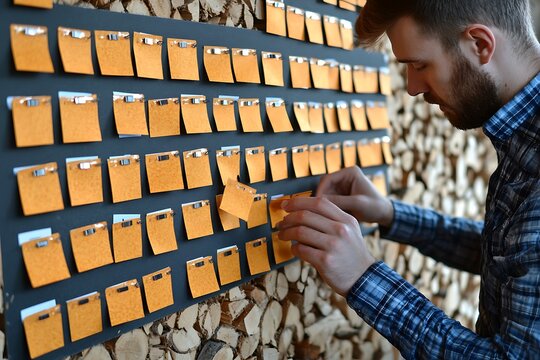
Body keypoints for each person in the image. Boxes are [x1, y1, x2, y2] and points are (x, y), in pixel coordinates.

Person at [277, 0, 540, 358]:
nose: (413, 88)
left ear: (480, 44)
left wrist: (363, 277)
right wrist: (391, 215)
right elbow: (513, 258)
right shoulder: (524, 136)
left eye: (419, 65)